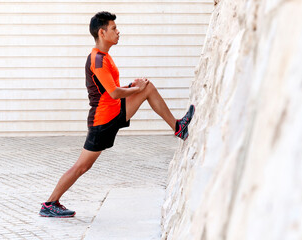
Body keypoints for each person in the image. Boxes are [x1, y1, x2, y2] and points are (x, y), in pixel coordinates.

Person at [39, 11, 195, 218]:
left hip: (113, 112)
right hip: (103, 120)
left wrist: (133, 87)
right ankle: (49, 203)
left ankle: (178, 127)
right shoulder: (98, 60)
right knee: (82, 166)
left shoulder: (104, 57)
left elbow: (109, 89)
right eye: (114, 28)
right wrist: (135, 89)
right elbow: (113, 93)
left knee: (147, 87)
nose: (118, 31)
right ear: (102, 33)